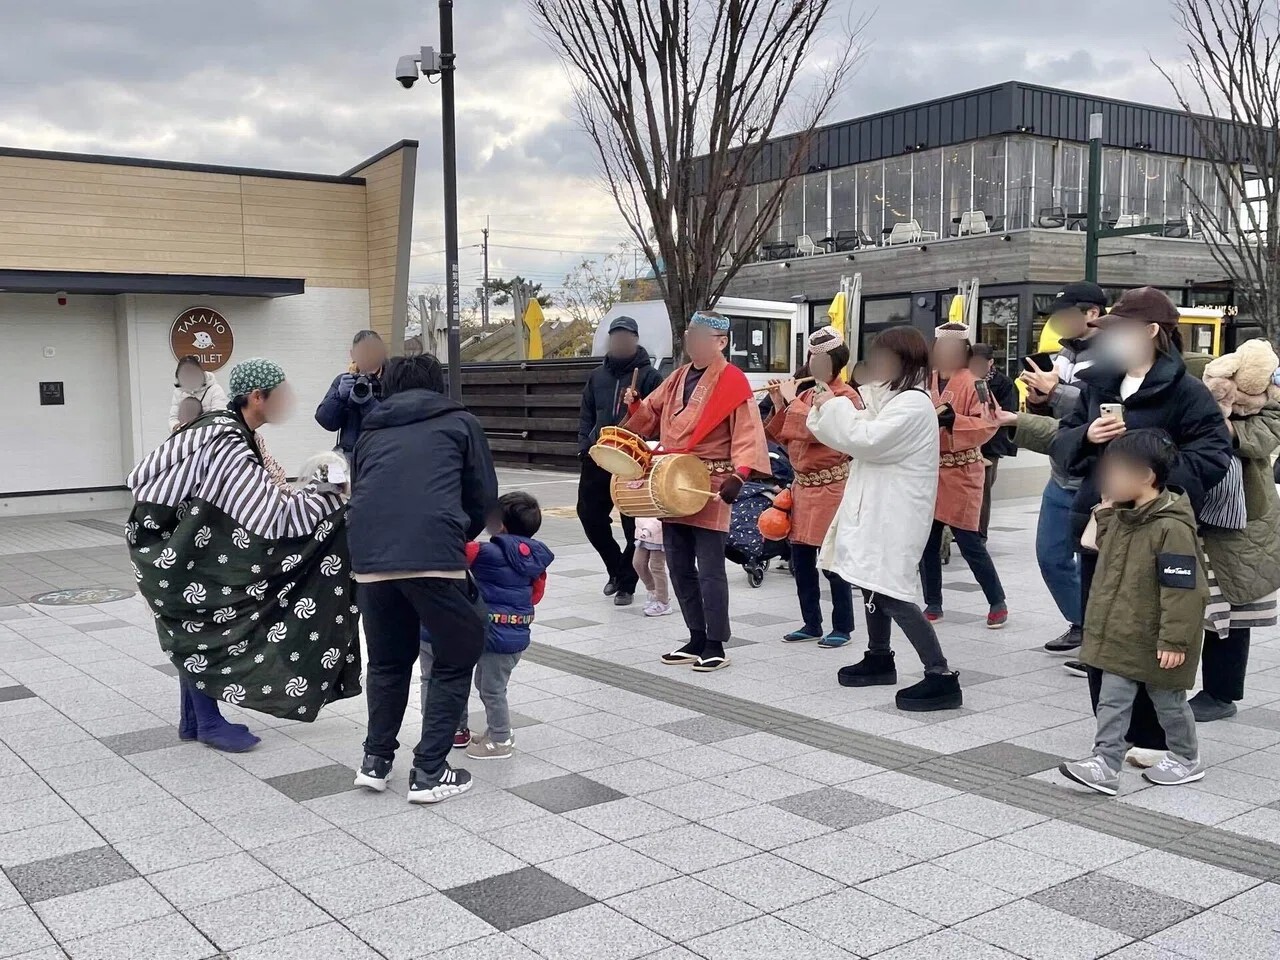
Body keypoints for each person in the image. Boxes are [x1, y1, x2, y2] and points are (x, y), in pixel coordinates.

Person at [126, 358, 362, 753]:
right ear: (256, 397)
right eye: (282, 393)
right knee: (208, 626)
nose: (289, 401)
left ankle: (195, 719)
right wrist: (327, 495)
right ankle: (208, 721)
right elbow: (271, 517)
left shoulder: (227, 429)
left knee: (195, 627)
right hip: (179, 554)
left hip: (179, 549)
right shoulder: (228, 441)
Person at [1051, 286, 1231, 766]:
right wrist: (1087, 436)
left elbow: (1214, 453)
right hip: (1101, 523)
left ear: (1152, 332)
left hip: (1153, 529)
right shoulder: (1098, 382)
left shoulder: (1186, 391)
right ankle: (1110, 738)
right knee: (1101, 629)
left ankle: (1153, 739)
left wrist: (1150, 466)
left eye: (1123, 331)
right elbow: (1064, 442)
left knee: (1146, 630)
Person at [348, 355, 498, 804]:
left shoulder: (371, 429)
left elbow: (363, 487)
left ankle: (375, 763)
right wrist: (454, 535)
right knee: (458, 652)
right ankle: (430, 771)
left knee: (389, 661)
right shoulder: (460, 422)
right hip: (433, 553)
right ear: (439, 385)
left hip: (370, 558)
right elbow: (483, 494)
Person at [807, 326, 962, 711]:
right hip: (877, 507)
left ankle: (940, 675)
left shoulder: (912, 404)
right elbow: (854, 430)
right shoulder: (892, 400)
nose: (875, 364)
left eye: (884, 358)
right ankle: (879, 656)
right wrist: (830, 401)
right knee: (869, 581)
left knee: (892, 589)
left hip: (896, 512)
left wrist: (835, 405)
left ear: (906, 362)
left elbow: (866, 439)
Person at [1059, 430, 1207, 795]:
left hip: (1157, 637)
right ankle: (1105, 764)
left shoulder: (1171, 528)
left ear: (1145, 476)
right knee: (1112, 700)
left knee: (1168, 701)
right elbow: (1090, 542)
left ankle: (1186, 758)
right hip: (1121, 634)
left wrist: (1174, 640)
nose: (1106, 479)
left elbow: (1184, 590)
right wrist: (1106, 507)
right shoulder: (1124, 518)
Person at [622, 310, 771, 672]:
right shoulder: (678, 377)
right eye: (690, 334)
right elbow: (651, 413)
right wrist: (636, 404)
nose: (692, 341)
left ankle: (716, 642)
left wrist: (741, 475)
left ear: (720, 342)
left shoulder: (733, 380)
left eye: (700, 335)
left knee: (709, 568)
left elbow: (748, 432)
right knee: (678, 563)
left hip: (712, 483)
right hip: (674, 480)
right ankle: (695, 635)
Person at [419, 492, 554, 761]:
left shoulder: (485, 551)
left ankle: (501, 739)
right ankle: (494, 733)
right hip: (514, 634)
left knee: (491, 689)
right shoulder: (536, 557)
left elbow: (455, 555)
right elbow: (535, 595)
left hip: (492, 632)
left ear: (500, 525)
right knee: (490, 685)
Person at [1017, 282, 1107, 653]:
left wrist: (1054, 393)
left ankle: (1099, 636)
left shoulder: (1114, 356)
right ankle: (1080, 623)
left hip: (1097, 477)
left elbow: (1100, 409)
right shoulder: (1062, 356)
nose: (1061, 322)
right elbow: (1060, 418)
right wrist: (1040, 400)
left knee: (1096, 562)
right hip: (1061, 473)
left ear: (1093, 313)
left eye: (1069, 314)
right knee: (1051, 556)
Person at [1191, 352, 1280, 722]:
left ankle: (1220, 693)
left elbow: (1262, 438)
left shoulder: (1269, 406)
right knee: (1190, 608)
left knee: (1232, 609)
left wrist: (1226, 426)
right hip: (1192, 512)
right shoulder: (1191, 379)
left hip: (1241, 519)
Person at [765, 326, 861, 647]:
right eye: (813, 360)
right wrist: (780, 402)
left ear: (836, 364)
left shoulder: (846, 396)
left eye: (823, 361)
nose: (816, 367)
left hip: (832, 487)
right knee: (801, 561)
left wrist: (793, 403)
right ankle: (811, 623)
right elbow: (784, 435)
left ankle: (843, 627)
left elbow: (825, 432)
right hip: (802, 488)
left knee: (832, 563)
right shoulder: (805, 394)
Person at [919, 323, 1008, 628]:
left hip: (962, 469)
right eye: (940, 349)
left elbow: (989, 423)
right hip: (929, 470)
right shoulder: (923, 382)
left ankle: (997, 600)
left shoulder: (975, 383)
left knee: (969, 541)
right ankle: (933, 602)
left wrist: (954, 420)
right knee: (926, 542)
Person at [577, 316, 664, 606]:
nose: (620, 342)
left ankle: (627, 583)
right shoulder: (597, 375)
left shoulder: (650, 376)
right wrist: (583, 445)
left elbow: (658, 418)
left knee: (633, 525)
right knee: (589, 516)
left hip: (633, 461)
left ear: (636, 339)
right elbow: (587, 412)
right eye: (615, 337)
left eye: (626, 337)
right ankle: (616, 568)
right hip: (598, 456)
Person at [969, 343, 1018, 541]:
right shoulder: (963, 380)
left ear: (990, 362)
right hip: (967, 442)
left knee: (983, 488)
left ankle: (980, 534)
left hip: (990, 445)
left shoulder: (1004, 383)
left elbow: (1007, 415)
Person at [315, 330, 387, 461]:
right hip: (349, 457)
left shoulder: (392, 380)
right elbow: (326, 421)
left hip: (382, 454)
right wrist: (339, 397)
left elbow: (393, 421)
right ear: (353, 354)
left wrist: (369, 402)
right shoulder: (344, 380)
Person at [168, 356, 229, 431]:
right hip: (185, 435)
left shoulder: (215, 389)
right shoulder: (178, 392)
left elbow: (220, 416)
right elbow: (173, 418)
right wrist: (176, 427)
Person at [632, 517, 672, 617]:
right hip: (643, 534)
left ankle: (663, 602)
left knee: (657, 568)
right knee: (638, 563)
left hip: (658, 535)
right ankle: (653, 591)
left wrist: (648, 529)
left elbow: (660, 514)